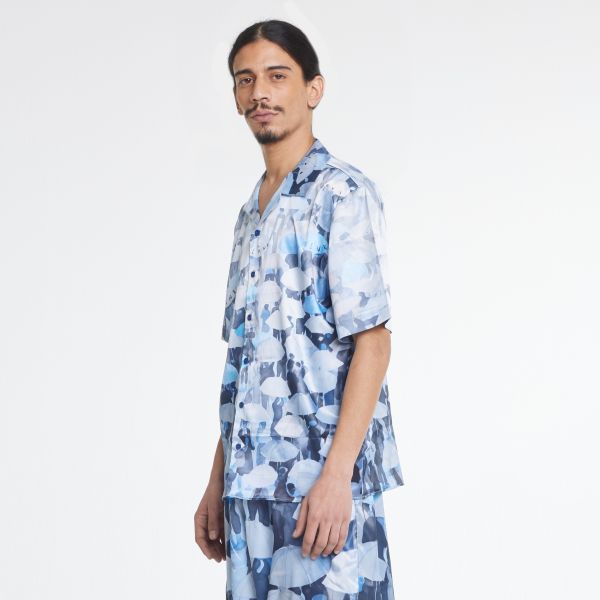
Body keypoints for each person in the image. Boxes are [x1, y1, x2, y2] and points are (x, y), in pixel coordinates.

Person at [194, 19, 404, 599]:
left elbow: (373, 342)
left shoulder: (342, 193)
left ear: (314, 89)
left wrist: (337, 478)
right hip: (249, 491)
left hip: (322, 489)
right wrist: (217, 481)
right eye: (246, 79)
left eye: (277, 76)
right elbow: (246, 365)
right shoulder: (249, 215)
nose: (260, 92)